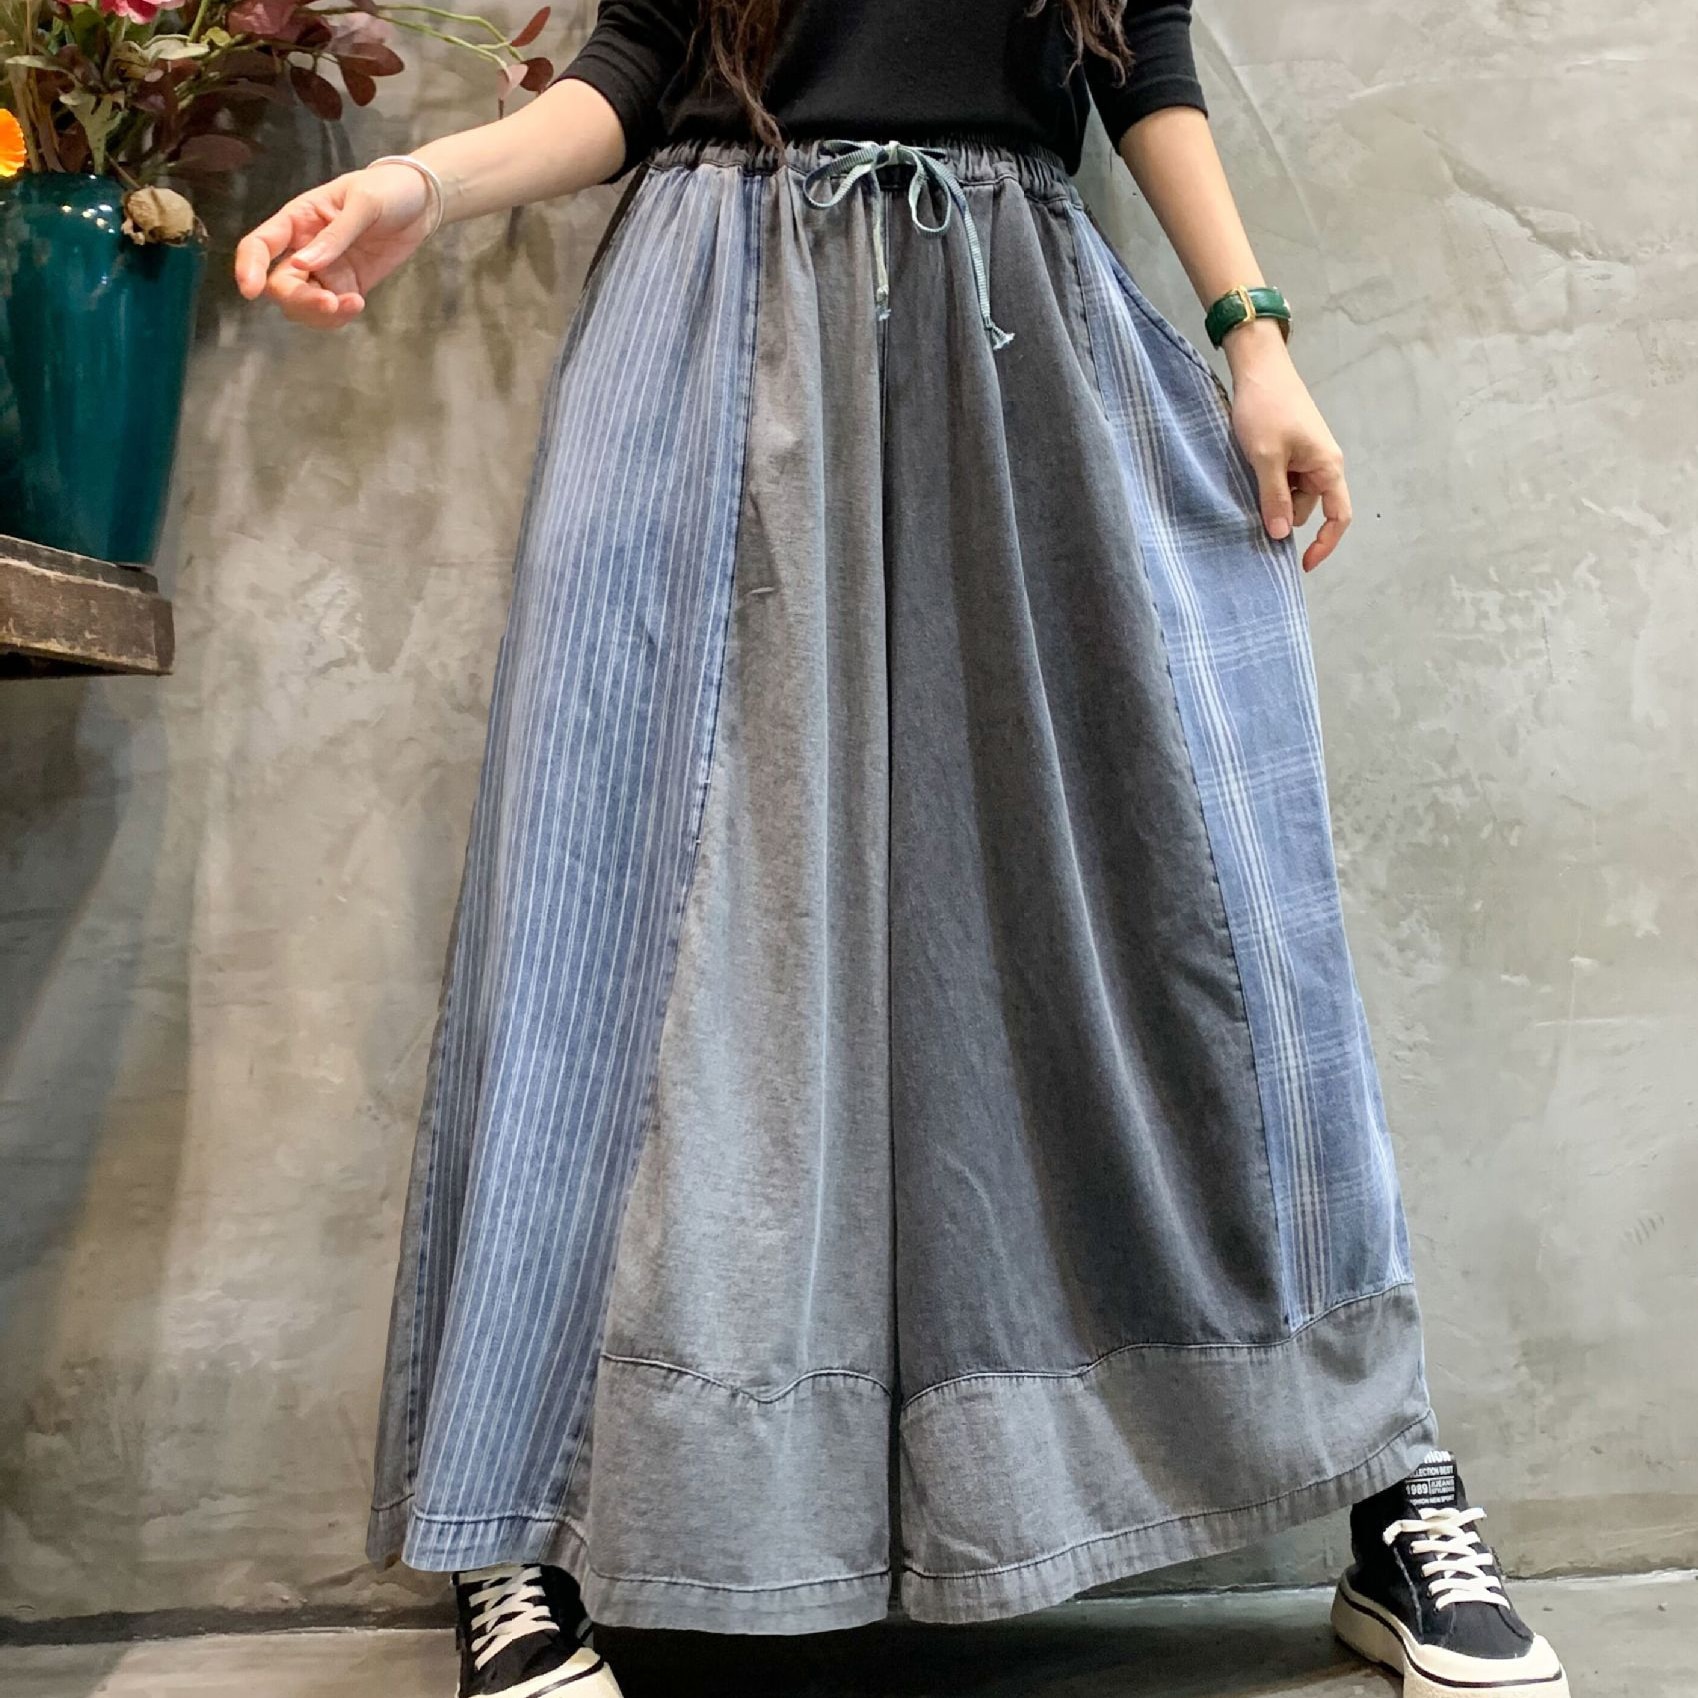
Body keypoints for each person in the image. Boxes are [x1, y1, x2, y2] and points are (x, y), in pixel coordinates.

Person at [236, 5, 1570, 1697]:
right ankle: (518, 1524)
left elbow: (1143, 62)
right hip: (710, 318)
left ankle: (1386, 1476)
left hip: (1013, 331)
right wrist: (421, 184)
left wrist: (1253, 338)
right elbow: (629, 74)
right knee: (603, 914)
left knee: (1202, 913)